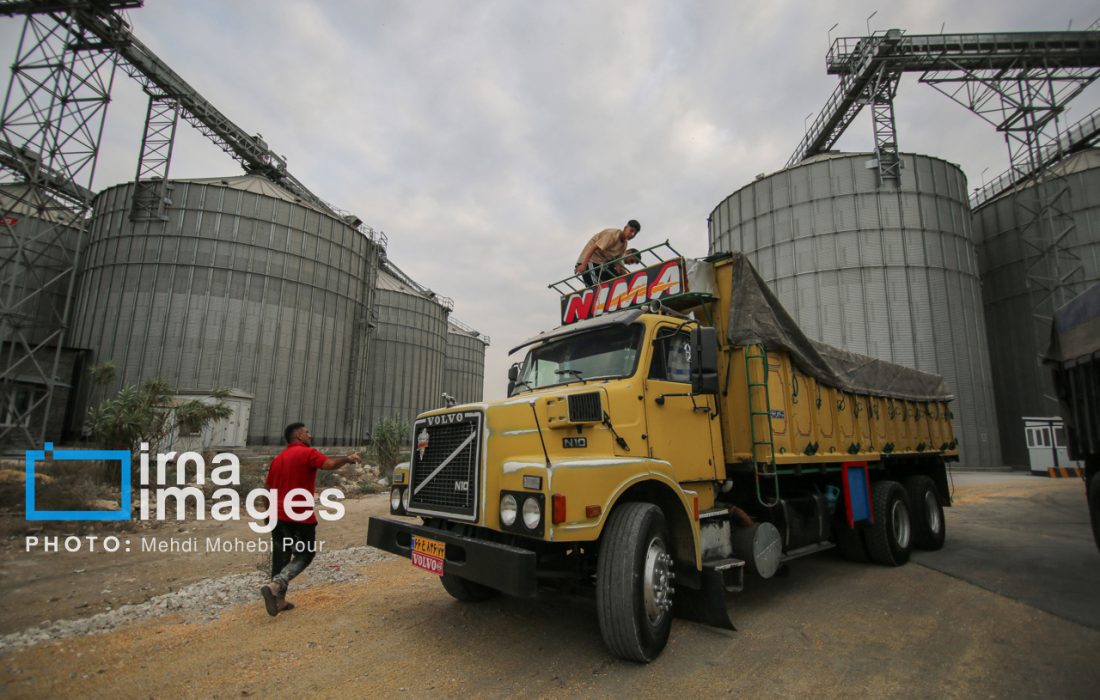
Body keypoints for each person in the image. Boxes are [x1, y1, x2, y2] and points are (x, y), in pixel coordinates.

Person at [259, 422, 361, 616]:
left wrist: (267, 513)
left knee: (281, 558)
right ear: (298, 436)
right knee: (306, 554)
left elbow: (267, 490)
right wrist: (348, 458)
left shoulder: (278, 459)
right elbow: (329, 464)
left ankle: (278, 600)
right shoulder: (307, 453)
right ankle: (275, 586)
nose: (310, 436)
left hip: (277, 516)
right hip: (299, 516)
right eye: (307, 432)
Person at [574, 219, 641, 286]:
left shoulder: (624, 245)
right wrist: (583, 265)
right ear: (625, 228)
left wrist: (630, 279)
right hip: (590, 260)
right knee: (596, 287)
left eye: (634, 234)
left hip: (601, 264)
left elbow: (618, 265)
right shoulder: (612, 235)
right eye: (631, 231)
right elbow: (593, 248)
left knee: (609, 284)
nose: (632, 234)